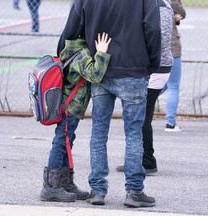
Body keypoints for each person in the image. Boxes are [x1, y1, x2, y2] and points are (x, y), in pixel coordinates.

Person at [57, 0, 161, 208]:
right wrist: (151, 62)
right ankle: (134, 191)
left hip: (100, 68)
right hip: (134, 69)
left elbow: (71, 28)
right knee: (133, 133)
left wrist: (63, 53)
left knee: (99, 133)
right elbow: (153, 28)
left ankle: (97, 190)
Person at [40, 33, 112, 203]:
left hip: (68, 105)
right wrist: (101, 53)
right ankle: (51, 187)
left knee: (66, 141)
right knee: (60, 142)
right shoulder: (80, 53)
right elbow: (95, 75)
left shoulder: (71, 47)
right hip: (70, 106)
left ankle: (65, 183)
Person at [116, 0, 173, 176]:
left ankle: (146, 162)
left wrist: (143, 60)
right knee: (139, 116)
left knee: (139, 117)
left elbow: (159, 37)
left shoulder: (160, 5)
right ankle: (140, 160)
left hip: (155, 67)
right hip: (151, 66)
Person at [160, 0, 186, 132]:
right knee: (173, 85)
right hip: (171, 46)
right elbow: (181, 11)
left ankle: (139, 108)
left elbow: (179, 15)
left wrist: (176, 18)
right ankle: (170, 123)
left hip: (154, 44)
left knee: (159, 83)